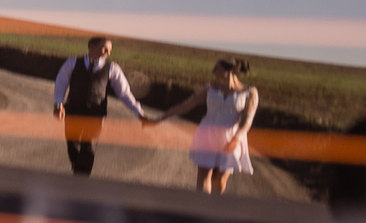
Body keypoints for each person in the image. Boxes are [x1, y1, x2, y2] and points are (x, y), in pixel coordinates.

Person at [151, 57, 258, 194]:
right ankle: (200, 210)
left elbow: (247, 120)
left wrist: (236, 139)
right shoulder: (210, 88)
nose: (213, 72)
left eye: (217, 68)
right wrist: (161, 118)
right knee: (203, 175)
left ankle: (214, 209)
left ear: (230, 70)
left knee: (220, 180)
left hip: (232, 137)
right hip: (207, 133)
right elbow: (186, 105)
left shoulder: (250, 92)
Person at [53, 37, 148, 175]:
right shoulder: (72, 63)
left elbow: (124, 93)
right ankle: (78, 169)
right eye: (105, 49)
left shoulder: (113, 69)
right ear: (92, 47)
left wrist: (139, 112)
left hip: (96, 114)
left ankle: (81, 179)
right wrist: (58, 104)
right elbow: (61, 83)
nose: (107, 53)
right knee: (72, 146)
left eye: (109, 50)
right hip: (73, 111)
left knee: (89, 148)